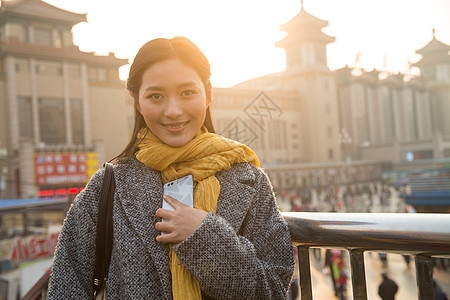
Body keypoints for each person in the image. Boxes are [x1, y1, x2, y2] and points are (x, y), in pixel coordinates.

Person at [47, 37, 294, 299]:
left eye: (187, 92)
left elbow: (273, 289)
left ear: (208, 93)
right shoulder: (106, 188)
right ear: (137, 101)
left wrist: (205, 237)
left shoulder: (249, 181)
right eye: (156, 96)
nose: (173, 111)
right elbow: (67, 287)